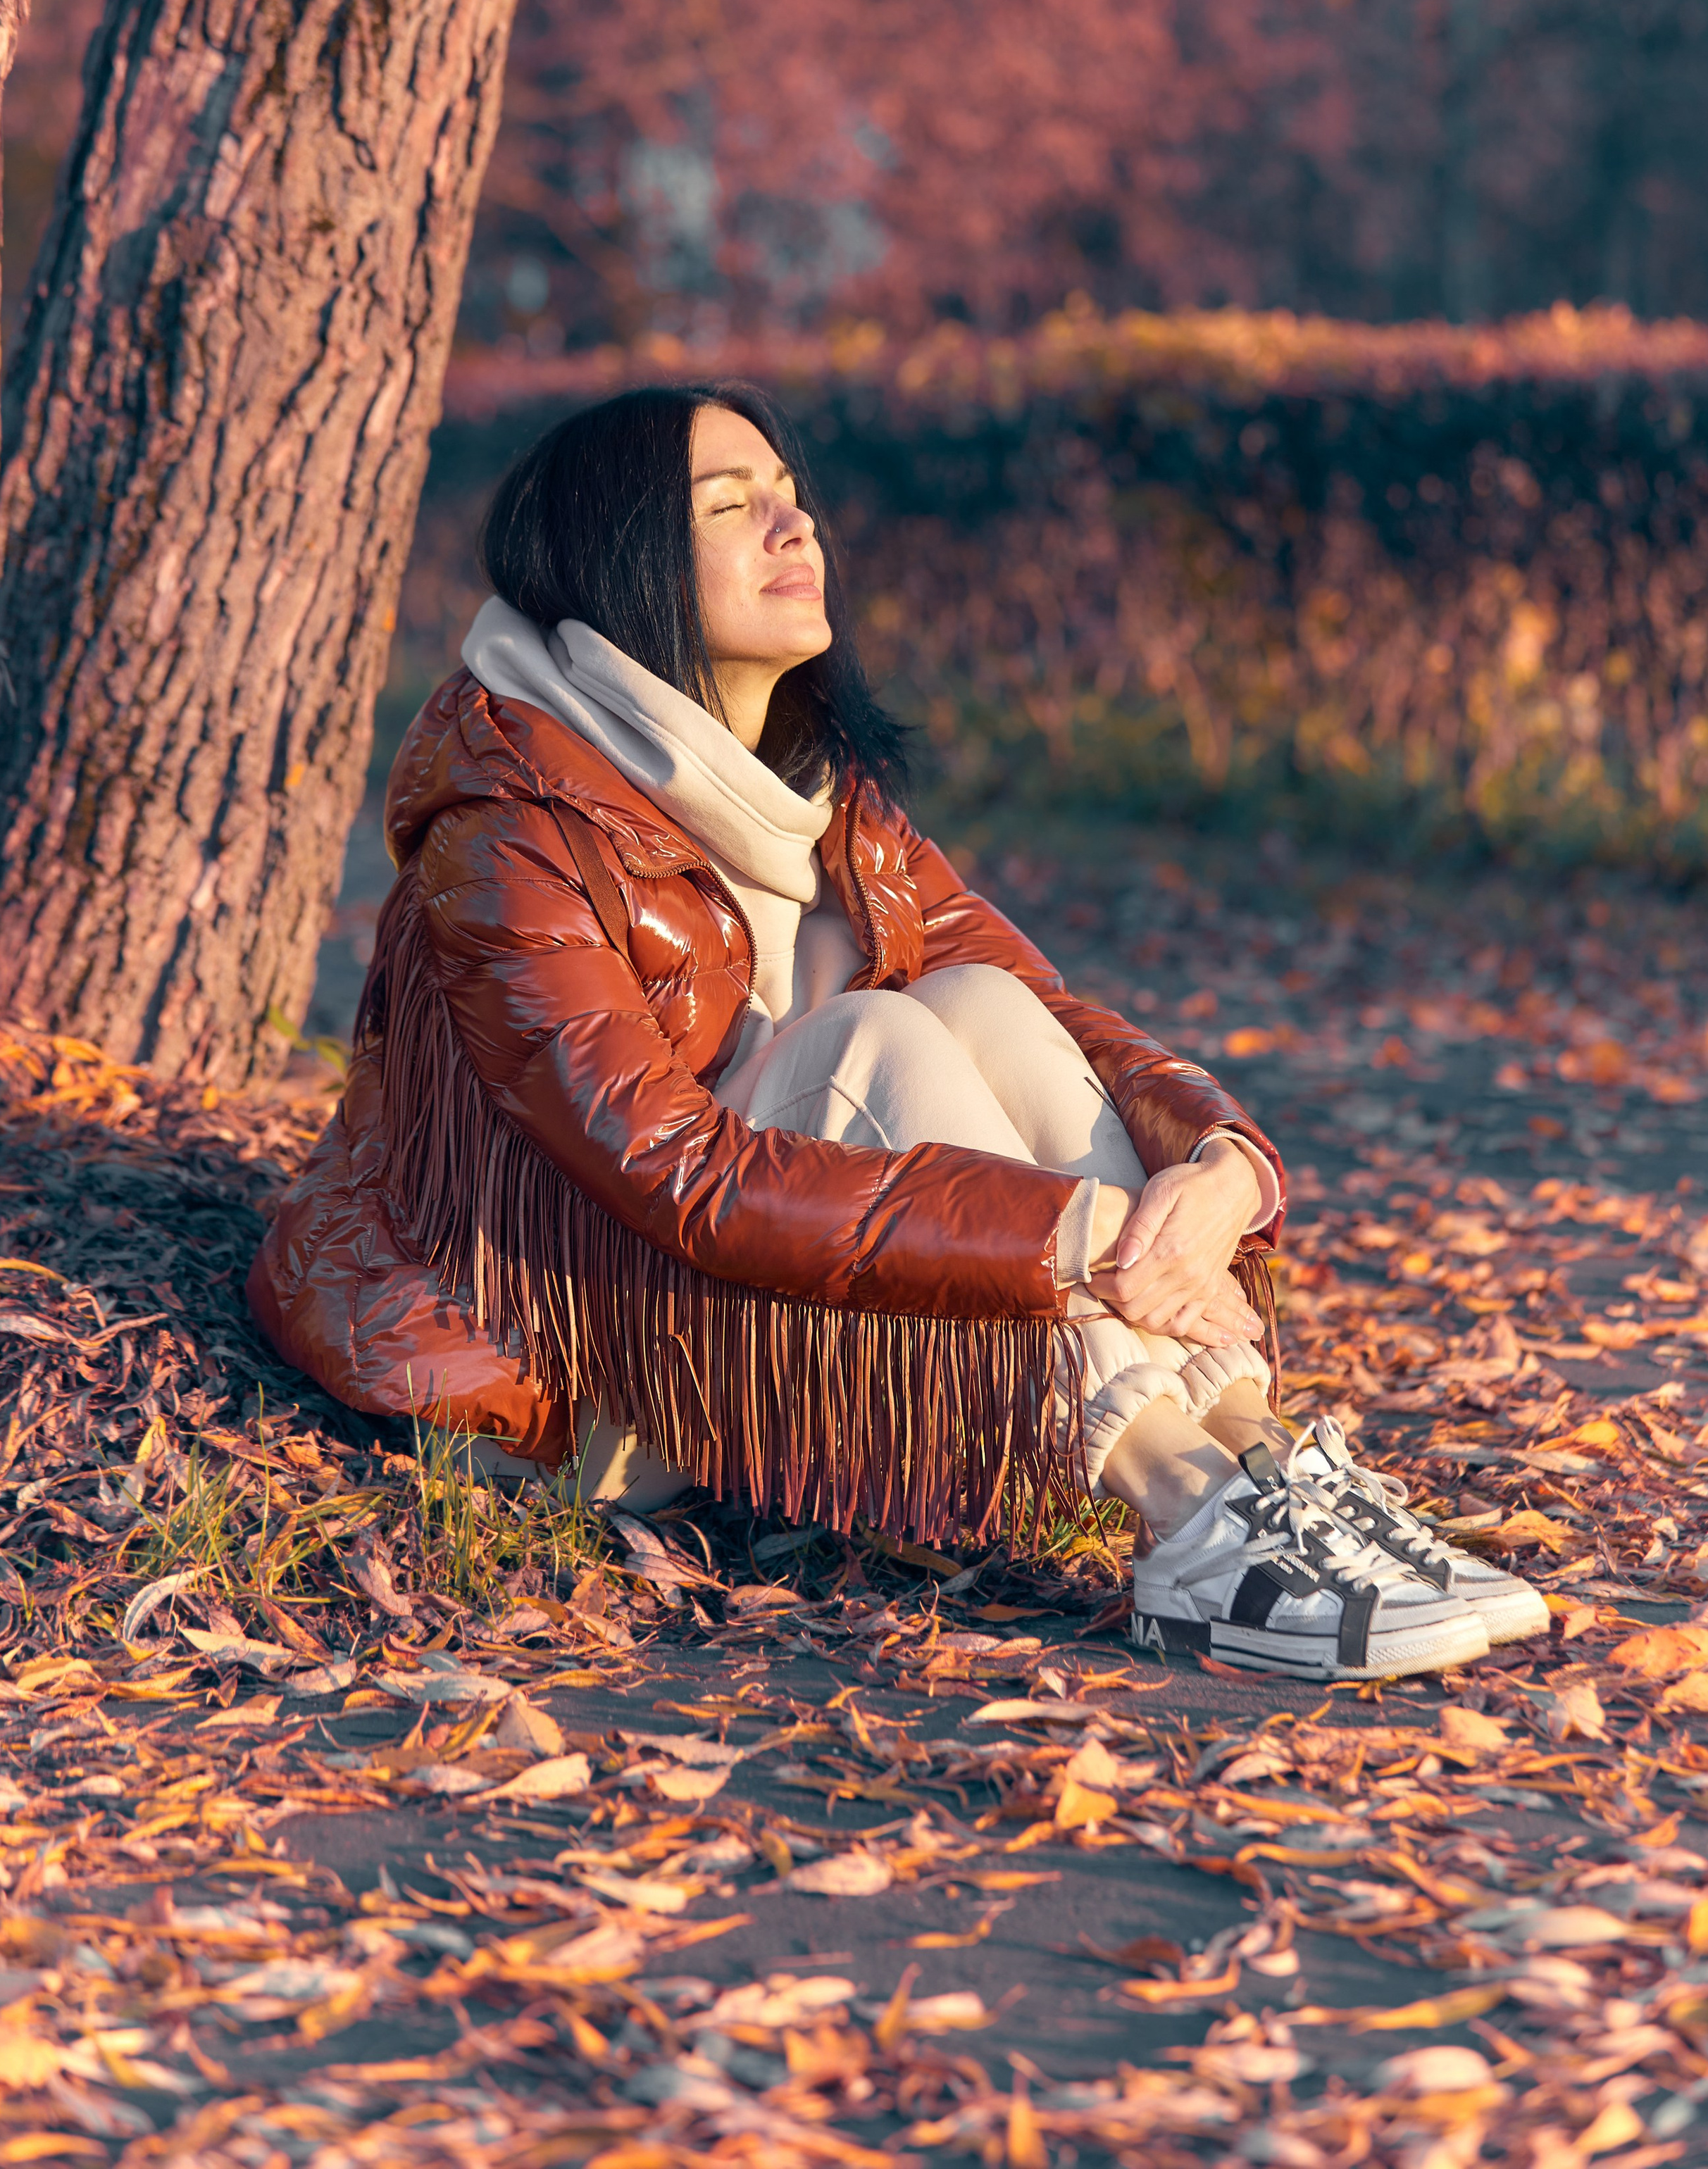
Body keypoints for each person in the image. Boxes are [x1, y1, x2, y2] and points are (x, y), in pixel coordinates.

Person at [251, 385, 1547, 1677]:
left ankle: (1258, 1471)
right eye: (730, 507)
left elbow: (1055, 1021)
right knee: (871, 1042)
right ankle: (1191, 1517)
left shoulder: (824, 796)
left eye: (791, 498)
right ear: (619, 556)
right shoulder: (510, 834)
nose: (792, 527)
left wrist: (1221, 1164)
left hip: (763, 1298)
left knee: (976, 1005)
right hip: (577, 1355)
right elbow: (669, 1172)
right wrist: (1074, 1237)